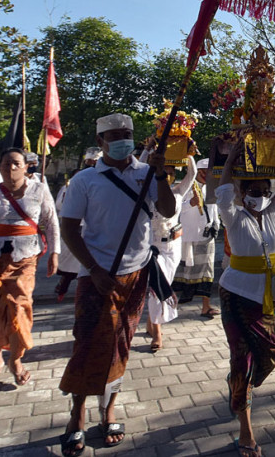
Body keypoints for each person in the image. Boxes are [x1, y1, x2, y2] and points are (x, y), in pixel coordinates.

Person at [57, 113, 176, 455]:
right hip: (98, 276)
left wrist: (162, 175)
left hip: (136, 274)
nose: (122, 138)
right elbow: (69, 229)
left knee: (120, 344)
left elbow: (166, 210)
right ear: (101, 141)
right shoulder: (84, 180)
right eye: (115, 134)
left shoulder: (146, 172)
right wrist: (93, 269)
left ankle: (108, 410)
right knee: (88, 343)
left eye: (127, 133)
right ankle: (76, 414)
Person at [216, 139, 275, 457]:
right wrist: (232, 159)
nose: (261, 196)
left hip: (265, 300)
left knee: (271, 354)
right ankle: (245, 430)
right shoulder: (233, 216)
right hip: (235, 297)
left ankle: (239, 386)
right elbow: (223, 193)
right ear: (243, 192)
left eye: (265, 190)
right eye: (255, 191)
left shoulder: (273, 214)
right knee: (243, 362)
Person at [0, 147, 59, 385]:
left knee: (19, 308)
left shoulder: (39, 189)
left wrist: (55, 253)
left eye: (16, 163)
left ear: (27, 166)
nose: (11, 168)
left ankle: (15, 359)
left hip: (26, 258)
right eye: (6, 163)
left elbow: (51, 221)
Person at [143, 153, 196, 351]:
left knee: (163, 284)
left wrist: (187, 152)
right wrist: (149, 152)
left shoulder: (178, 192)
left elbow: (193, 174)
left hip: (173, 247)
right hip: (153, 247)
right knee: (158, 288)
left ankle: (151, 321)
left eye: (171, 172)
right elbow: (140, 167)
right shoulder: (147, 192)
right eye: (164, 172)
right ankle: (157, 333)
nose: (168, 175)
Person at [173, 157, 221, 318]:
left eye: (208, 173)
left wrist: (216, 225)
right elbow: (175, 210)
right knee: (181, 273)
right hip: (187, 237)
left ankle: (205, 307)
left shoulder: (212, 188)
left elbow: (214, 209)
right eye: (202, 172)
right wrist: (190, 204)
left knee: (207, 271)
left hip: (206, 236)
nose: (205, 175)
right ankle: (170, 308)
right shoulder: (185, 187)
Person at [53, 148, 103, 299]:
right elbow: (60, 206)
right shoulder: (73, 183)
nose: (92, 164)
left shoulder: (103, 182)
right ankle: (66, 285)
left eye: (95, 162)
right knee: (73, 261)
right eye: (90, 162)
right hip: (76, 227)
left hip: (96, 228)